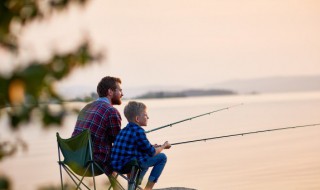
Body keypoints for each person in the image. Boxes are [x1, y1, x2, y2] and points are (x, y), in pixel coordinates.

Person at [111, 101, 171, 190]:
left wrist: (152, 146)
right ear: (137, 119)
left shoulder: (123, 130)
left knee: (144, 155)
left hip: (116, 165)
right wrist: (163, 146)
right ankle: (148, 188)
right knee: (162, 157)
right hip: (129, 166)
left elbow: (136, 146)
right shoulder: (139, 131)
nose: (148, 117)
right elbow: (152, 152)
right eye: (145, 115)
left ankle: (135, 185)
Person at [72, 76, 123, 177]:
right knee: (131, 155)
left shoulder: (86, 107)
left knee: (109, 152)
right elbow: (119, 143)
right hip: (94, 164)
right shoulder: (111, 111)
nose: (122, 94)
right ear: (110, 92)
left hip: (75, 161)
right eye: (120, 90)